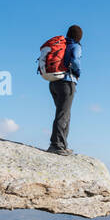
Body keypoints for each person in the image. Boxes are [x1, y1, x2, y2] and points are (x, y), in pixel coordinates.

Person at [48, 24, 82, 155]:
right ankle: (56, 145)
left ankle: (62, 145)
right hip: (67, 82)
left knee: (63, 113)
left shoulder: (61, 44)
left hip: (53, 82)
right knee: (63, 114)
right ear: (79, 37)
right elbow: (75, 60)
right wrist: (77, 73)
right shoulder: (75, 46)